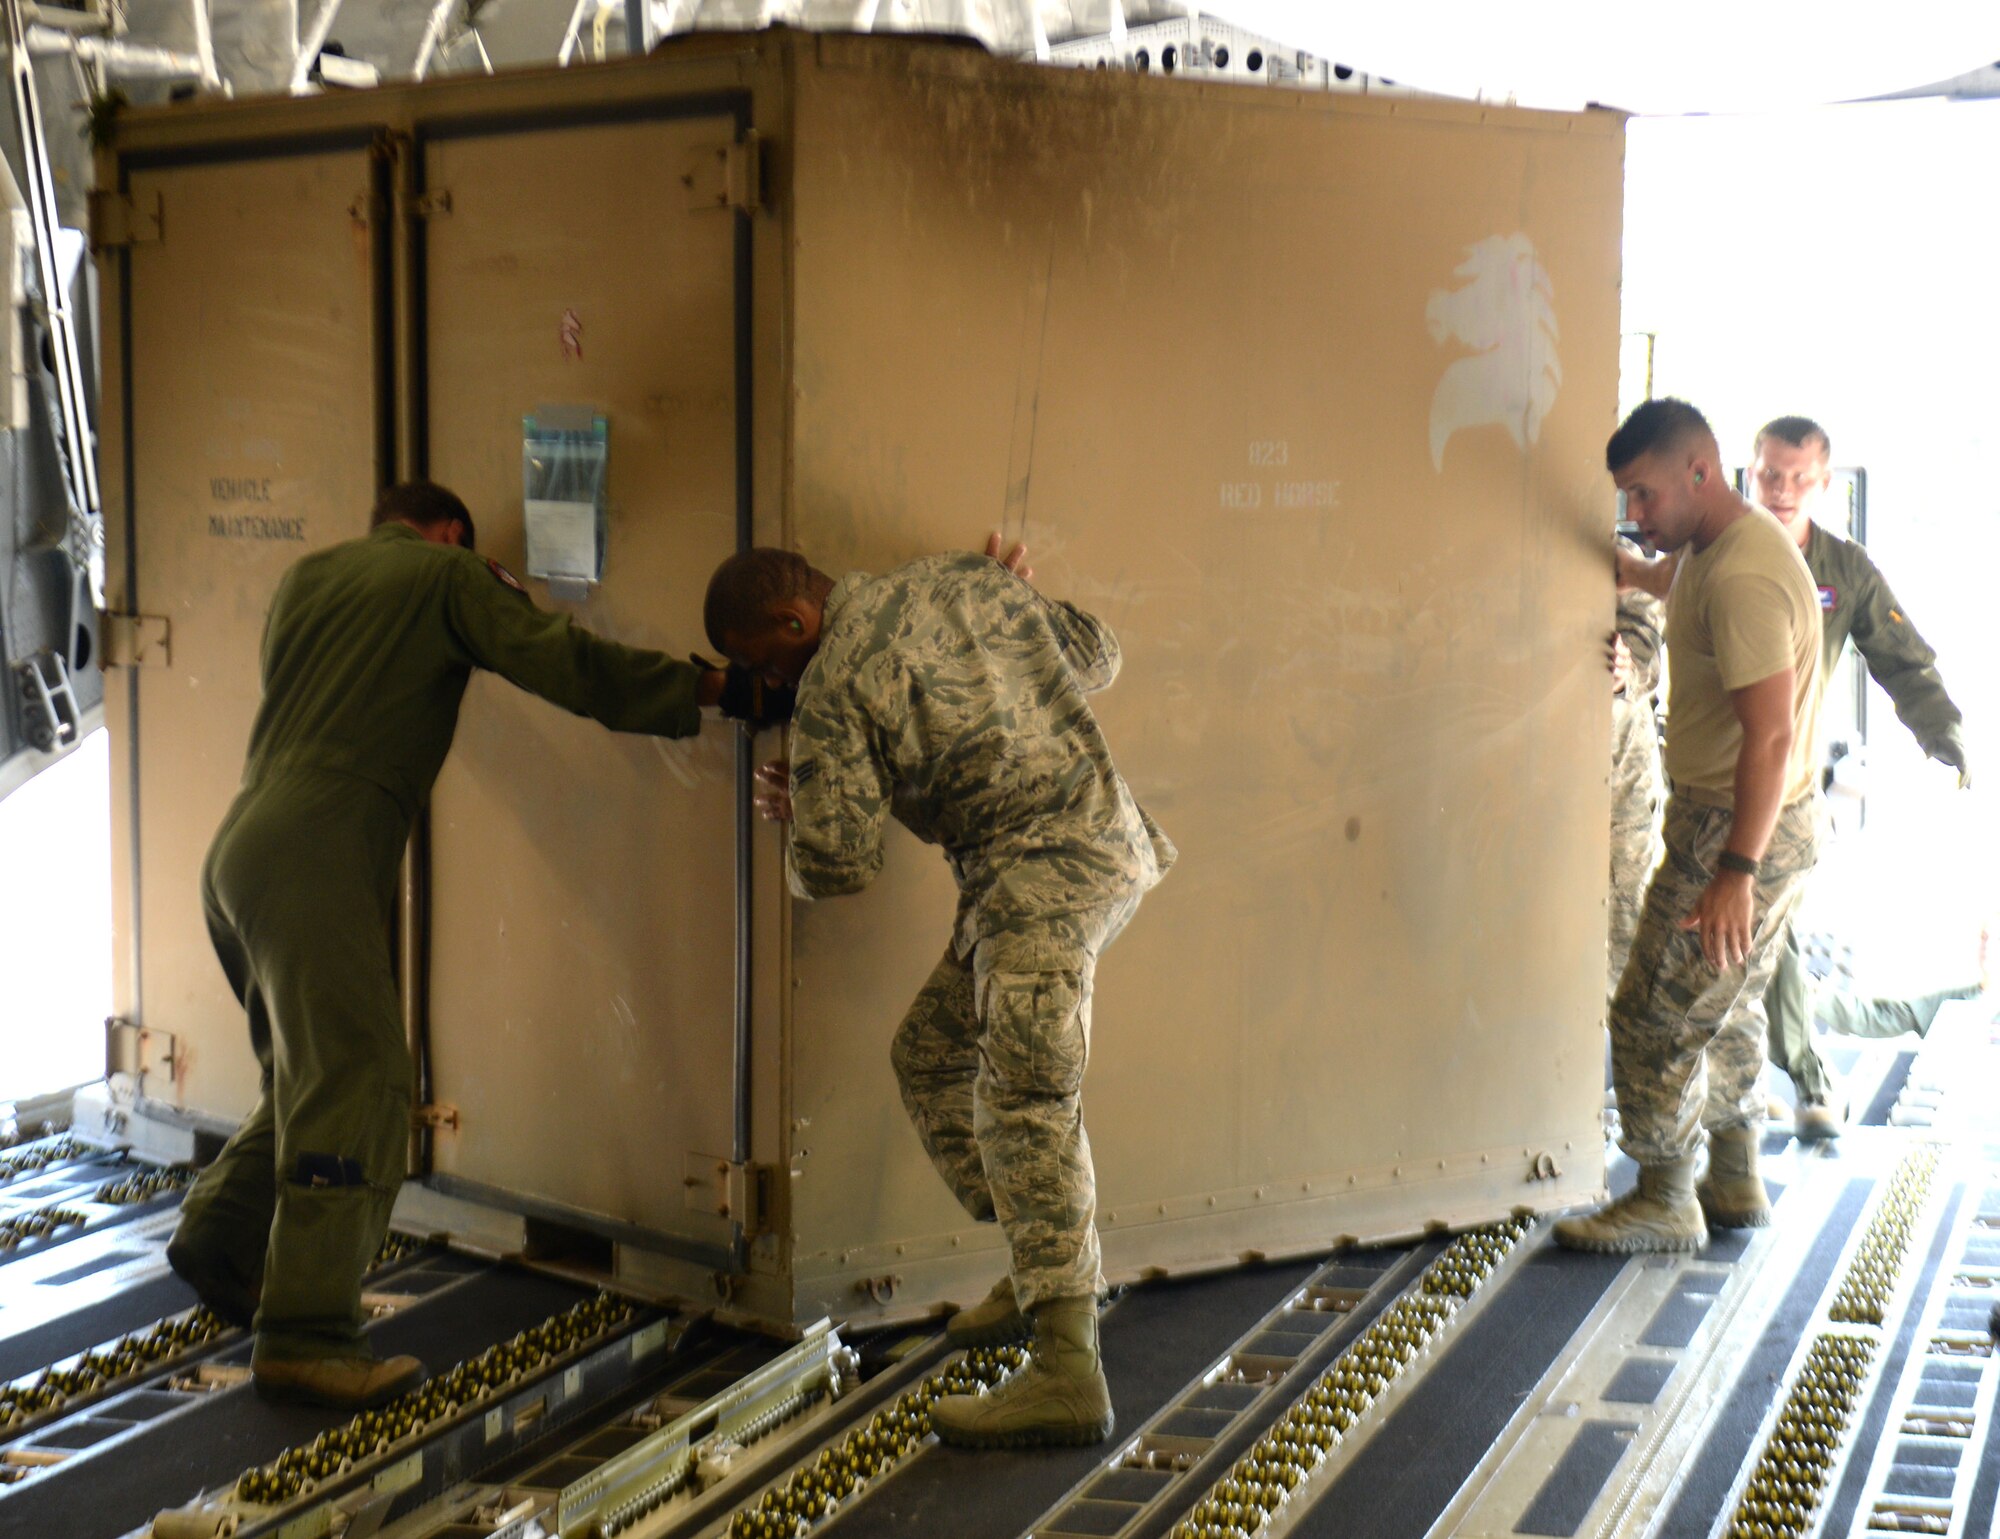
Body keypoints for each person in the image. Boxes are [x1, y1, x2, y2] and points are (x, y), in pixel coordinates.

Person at [168, 481, 744, 1411]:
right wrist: (708, 689)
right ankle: (306, 1335)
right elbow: (565, 662)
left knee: (306, 1078)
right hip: (319, 849)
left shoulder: (306, 580)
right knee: (359, 1079)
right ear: (449, 533)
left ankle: (222, 1239)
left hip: (241, 849)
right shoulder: (446, 576)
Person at [704, 544, 1173, 1449]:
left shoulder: (833, 680)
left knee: (1025, 1104)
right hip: (1085, 856)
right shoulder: (966, 575)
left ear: (797, 625)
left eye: (768, 661)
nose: (771, 682)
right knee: (929, 1054)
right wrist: (1013, 607)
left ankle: (1070, 1373)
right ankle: (1044, 1259)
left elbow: (838, 865)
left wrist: (806, 797)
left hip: (1041, 880)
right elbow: (1099, 653)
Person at [1623, 416, 1969, 1138]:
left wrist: (1946, 736)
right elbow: (1668, 583)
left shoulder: (1836, 570)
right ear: (1749, 472)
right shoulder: (1710, 547)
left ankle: (1792, 1091)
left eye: (1798, 478)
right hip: (1726, 794)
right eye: (1770, 474)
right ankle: (1740, 1144)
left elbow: (1901, 656)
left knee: (1719, 970)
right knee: (1746, 967)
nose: (1781, 490)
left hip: (1773, 795)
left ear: (1824, 484)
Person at [1556, 399, 1822, 1255]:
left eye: (1644, 496)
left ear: (1698, 473)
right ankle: (1734, 1173)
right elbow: (1676, 586)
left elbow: (1772, 734)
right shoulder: (1718, 547)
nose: (1637, 516)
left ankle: (1665, 1193)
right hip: (1741, 821)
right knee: (1727, 1002)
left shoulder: (1745, 574)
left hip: (1737, 827)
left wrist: (1735, 868)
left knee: (1649, 1013)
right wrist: (1621, 569)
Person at [1608, 534, 1666, 995]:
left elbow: (1648, 648)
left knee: (1624, 920)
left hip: (1620, 776)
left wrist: (1627, 669)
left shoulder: (1618, 556)